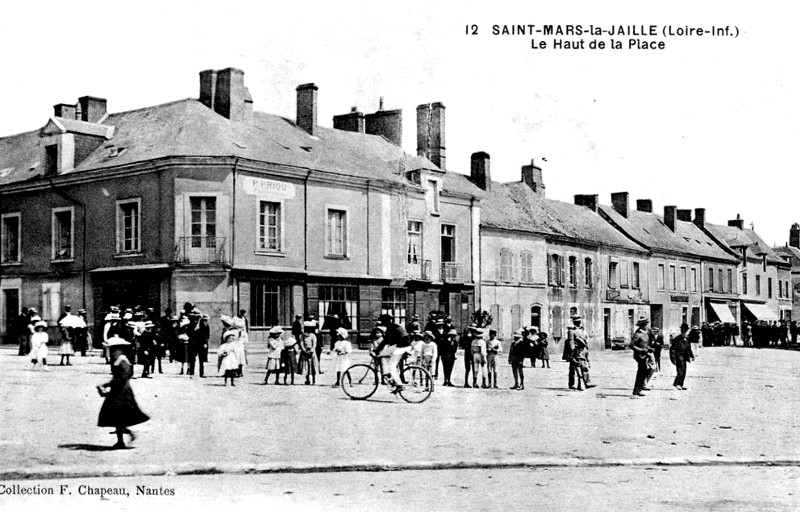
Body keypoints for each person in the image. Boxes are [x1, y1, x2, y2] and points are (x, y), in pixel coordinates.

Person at [97, 335, 150, 449]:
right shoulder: (121, 358)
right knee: (118, 415)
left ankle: (122, 439)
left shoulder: (120, 359)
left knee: (117, 414)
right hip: (121, 388)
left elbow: (123, 377)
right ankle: (122, 438)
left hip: (121, 390)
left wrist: (107, 384)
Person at [373, 314, 411, 388]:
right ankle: (389, 375)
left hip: (401, 347)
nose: (382, 324)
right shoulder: (394, 326)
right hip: (402, 345)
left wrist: (377, 349)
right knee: (383, 354)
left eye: (382, 322)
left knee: (392, 366)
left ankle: (399, 384)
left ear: (385, 321)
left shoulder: (390, 328)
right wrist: (379, 350)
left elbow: (385, 341)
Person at [567, 315, 596, 390]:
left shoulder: (582, 332)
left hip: (581, 351)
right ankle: (573, 384)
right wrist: (572, 353)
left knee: (581, 367)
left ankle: (584, 383)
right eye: (577, 322)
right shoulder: (574, 332)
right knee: (574, 369)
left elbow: (586, 343)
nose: (578, 323)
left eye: (578, 322)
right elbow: (571, 343)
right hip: (577, 352)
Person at [631, 316, 653, 396]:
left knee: (645, 372)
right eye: (646, 324)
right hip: (639, 355)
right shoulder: (638, 334)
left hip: (645, 354)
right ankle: (636, 391)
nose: (647, 326)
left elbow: (645, 344)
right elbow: (632, 345)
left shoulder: (646, 333)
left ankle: (639, 389)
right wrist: (641, 350)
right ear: (643, 325)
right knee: (640, 373)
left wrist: (649, 348)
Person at [670, 323, 694, 390]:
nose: (684, 332)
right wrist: (673, 358)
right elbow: (672, 349)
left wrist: (692, 356)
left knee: (684, 370)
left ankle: (681, 384)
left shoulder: (687, 338)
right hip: (678, 356)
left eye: (685, 330)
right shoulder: (677, 339)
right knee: (680, 370)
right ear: (681, 330)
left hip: (685, 356)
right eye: (683, 330)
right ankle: (677, 383)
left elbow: (689, 348)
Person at [298, 321, 319, 385]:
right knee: (306, 366)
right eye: (307, 328)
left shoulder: (313, 336)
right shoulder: (302, 336)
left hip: (312, 353)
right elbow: (301, 343)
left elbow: (314, 344)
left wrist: (311, 350)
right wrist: (304, 350)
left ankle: (314, 380)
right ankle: (307, 380)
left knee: (312, 366)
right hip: (305, 353)